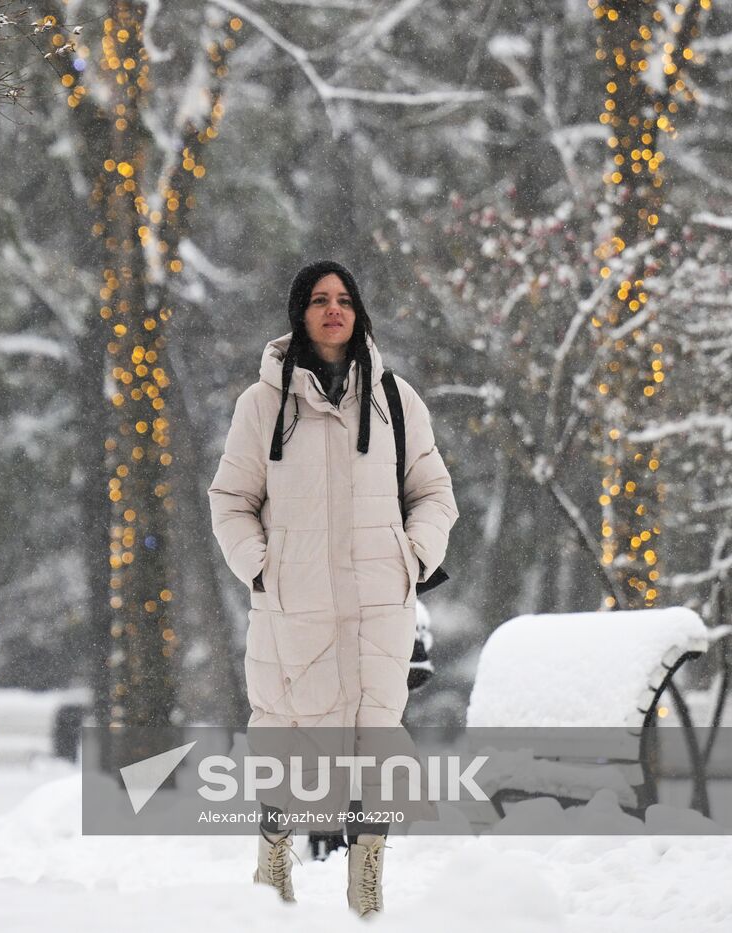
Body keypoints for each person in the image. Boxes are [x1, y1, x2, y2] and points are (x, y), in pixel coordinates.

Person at [207, 259, 458, 917]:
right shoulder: (261, 406)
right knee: (284, 739)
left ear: (359, 311)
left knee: (377, 739)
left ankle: (366, 874)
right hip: (294, 604)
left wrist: (416, 554)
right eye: (319, 299)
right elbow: (230, 498)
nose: (333, 308)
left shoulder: (398, 401)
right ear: (300, 312)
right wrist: (262, 565)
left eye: (344, 297)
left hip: (380, 604)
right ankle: (274, 858)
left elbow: (432, 492)